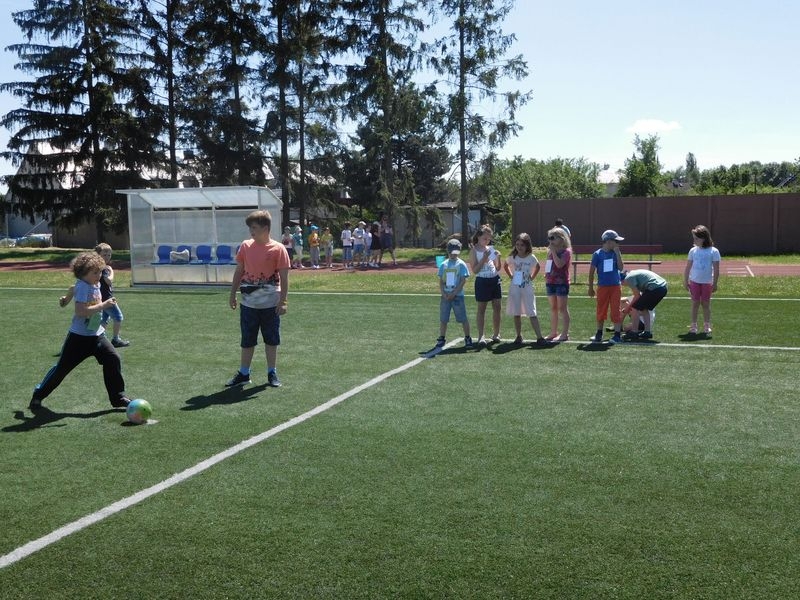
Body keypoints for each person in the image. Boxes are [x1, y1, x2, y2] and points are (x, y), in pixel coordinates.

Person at [30, 252, 132, 412]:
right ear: (83, 274)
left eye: (100, 272)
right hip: (78, 339)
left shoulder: (93, 283)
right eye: (95, 273)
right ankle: (38, 394)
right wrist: (104, 305)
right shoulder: (83, 286)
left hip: (97, 336)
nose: (99, 275)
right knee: (61, 370)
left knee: (113, 358)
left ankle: (118, 397)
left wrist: (67, 299)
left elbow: (75, 289)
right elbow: (81, 311)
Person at [227, 210, 290, 388]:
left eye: (254, 227)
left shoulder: (279, 249)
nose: (251, 231)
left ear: (265, 228)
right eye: (250, 228)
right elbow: (239, 271)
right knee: (247, 340)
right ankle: (244, 373)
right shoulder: (245, 246)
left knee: (271, 340)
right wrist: (232, 294)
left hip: (271, 305)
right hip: (248, 305)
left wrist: (283, 301)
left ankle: (272, 373)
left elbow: (284, 278)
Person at [59, 243, 131, 347]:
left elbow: (73, 288)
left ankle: (100, 339)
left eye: (109, 255)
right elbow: (108, 281)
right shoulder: (86, 282)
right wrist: (112, 271)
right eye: (104, 255)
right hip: (104, 302)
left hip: (99, 303)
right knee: (117, 317)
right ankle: (115, 339)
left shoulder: (95, 279)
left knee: (101, 321)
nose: (107, 257)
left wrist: (66, 299)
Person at [503, 233, 546, 345]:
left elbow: (537, 266)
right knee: (516, 312)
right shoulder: (513, 256)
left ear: (527, 245)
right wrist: (511, 276)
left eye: (522, 245)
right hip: (515, 287)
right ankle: (518, 336)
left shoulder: (531, 257)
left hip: (527, 287)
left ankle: (539, 337)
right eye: (517, 244)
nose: (519, 247)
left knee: (532, 311)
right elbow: (505, 265)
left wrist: (532, 277)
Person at [587, 230, 626, 344]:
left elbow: (620, 268)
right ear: (608, 241)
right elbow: (591, 272)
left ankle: (617, 335)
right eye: (616, 241)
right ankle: (599, 333)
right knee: (601, 309)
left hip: (615, 286)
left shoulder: (615, 253)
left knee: (615, 309)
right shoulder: (597, 254)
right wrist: (590, 287)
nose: (618, 243)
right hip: (602, 287)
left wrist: (618, 253)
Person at [435, 239, 472, 349]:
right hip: (445, 296)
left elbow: (463, 281)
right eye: (451, 252)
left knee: (463, 318)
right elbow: (441, 281)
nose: (453, 255)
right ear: (448, 251)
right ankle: (442, 338)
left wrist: (454, 293)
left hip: (458, 296)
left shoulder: (461, 264)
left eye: (455, 253)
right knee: (443, 318)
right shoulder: (444, 264)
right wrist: (444, 293)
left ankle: (467, 337)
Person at [683, 224, 721, 334]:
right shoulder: (693, 251)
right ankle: (693, 325)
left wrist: (715, 283)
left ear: (704, 238)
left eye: (696, 238)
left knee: (706, 304)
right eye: (694, 238)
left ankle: (706, 325)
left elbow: (716, 269)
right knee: (695, 304)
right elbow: (688, 267)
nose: (694, 240)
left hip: (707, 283)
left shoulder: (714, 251)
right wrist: (685, 280)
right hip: (694, 282)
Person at [469, 224, 502, 346]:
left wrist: (498, 258)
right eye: (485, 238)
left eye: (489, 239)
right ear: (478, 236)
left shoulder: (490, 249)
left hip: (494, 280)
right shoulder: (474, 251)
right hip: (482, 281)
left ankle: (496, 334)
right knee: (481, 309)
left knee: (497, 307)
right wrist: (484, 258)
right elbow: (475, 270)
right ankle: (481, 336)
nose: (487, 241)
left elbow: (497, 268)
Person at [621, 269, 668, 340]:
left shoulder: (629, 278)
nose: (622, 285)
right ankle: (647, 332)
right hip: (662, 287)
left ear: (622, 280)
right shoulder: (632, 274)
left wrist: (628, 308)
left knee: (635, 308)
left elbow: (637, 296)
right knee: (643, 308)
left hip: (655, 287)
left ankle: (634, 332)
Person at [544, 227, 572, 341]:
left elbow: (559, 264)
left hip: (561, 283)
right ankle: (553, 332)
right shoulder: (550, 251)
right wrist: (546, 273)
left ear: (561, 239)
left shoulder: (566, 252)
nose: (550, 240)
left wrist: (554, 252)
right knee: (553, 308)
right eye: (549, 238)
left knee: (562, 308)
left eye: (553, 238)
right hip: (550, 282)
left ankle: (564, 333)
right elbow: (549, 263)